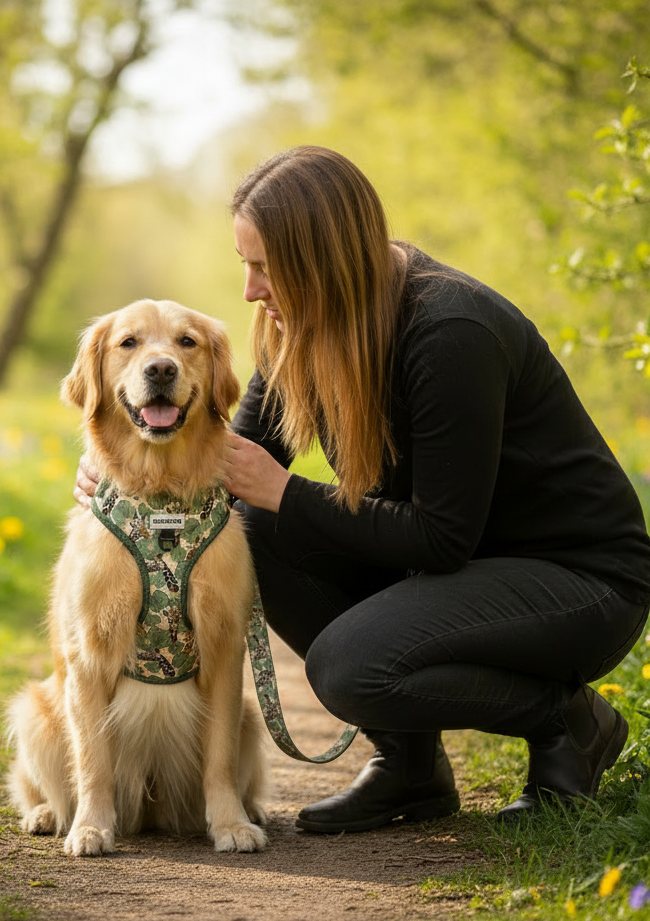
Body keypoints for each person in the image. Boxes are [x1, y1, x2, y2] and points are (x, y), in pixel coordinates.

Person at [77, 145, 650, 833]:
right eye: (245, 266)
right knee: (258, 531)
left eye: (265, 268)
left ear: (321, 260)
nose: (253, 290)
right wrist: (120, 480)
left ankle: (569, 723)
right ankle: (411, 767)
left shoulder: (451, 332)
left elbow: (440, 537)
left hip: (578, 584)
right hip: (463, 571)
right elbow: (239, 465)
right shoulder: (302, 325)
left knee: (352, 667)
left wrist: (287, 492)